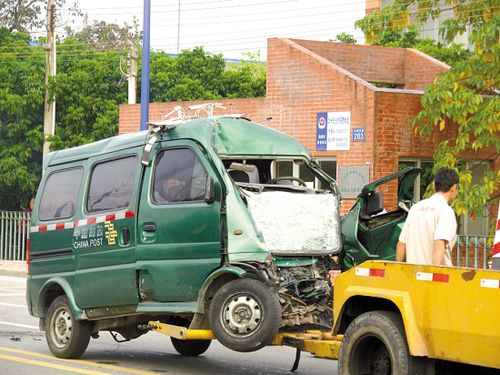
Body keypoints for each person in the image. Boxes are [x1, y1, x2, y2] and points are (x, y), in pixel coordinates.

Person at [396, 168, 459, 266]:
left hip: (412, 275)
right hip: (435, 277)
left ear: (434, 186)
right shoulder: (445, 211)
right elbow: (439, 244)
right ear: (454, 188)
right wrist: (434, 273)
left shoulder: (415, 208)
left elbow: (401, 244)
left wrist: (398, 268)